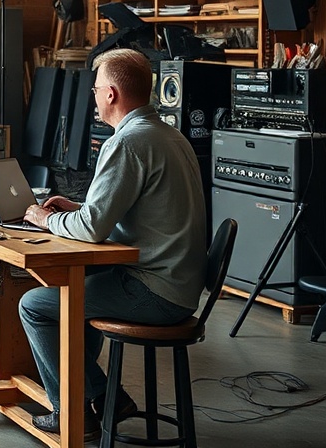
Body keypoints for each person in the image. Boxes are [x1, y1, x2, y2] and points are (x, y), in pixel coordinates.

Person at [19, 48, 207, 438]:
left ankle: (79, 408)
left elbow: (90, 230)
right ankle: (100, 398)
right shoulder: (170, 136)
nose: (93, 96)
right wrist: (81, 206)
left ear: (111, 95)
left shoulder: (126, 143)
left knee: (36, 305)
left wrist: (46, 218)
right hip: (181, 287)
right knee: (77, 294)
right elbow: (133, 210)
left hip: (155, 292)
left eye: (95, 88)